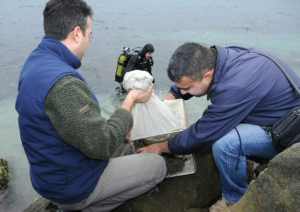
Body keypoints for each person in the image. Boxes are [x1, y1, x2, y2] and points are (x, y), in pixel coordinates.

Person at [15, 0, 166, 211]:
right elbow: (101, 145)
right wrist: (130, 100)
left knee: (126, 146)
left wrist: (118, 131)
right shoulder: (64, 84)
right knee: (157, 166)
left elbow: (75, 126)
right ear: (77, 33)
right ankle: (85, 206)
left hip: (48, 175)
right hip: (71, 186)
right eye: (90, 34)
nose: (89, 40)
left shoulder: (36, 62)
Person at [138, 43, 300, 211]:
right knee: (214, 116)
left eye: (186, 88)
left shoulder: (236, 86)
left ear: (208, 75)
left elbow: (203, 134)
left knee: (224, 144)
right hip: (274, 112)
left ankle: (236, 200)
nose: (183, 92)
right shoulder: (221, 57)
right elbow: (196, 87)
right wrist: (172, 96)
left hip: (288, 133)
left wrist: (162, 146)